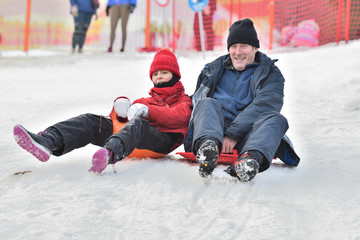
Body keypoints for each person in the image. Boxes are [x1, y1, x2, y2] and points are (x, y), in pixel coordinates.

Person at [13, 49, 193, 174]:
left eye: (164, 72)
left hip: (161, 142)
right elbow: (121, 121)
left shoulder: (183, 100)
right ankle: (48, 141)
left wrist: (148, 112)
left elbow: (181, 117)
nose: (159, 76)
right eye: (155, 74)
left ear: (175, 75)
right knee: (92, 121)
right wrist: (120, 111)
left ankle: (109, 154)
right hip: (133, 140)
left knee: (139, 123)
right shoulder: (145, 100)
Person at [184, 18, 300, 182]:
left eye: (244, 46)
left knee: (276, 119)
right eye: (233, 46)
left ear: (255, 48)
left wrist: (233, 134)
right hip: (212, 129)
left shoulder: (271, 74)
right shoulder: (212, 70)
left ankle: (249, 160)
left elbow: (266, 105)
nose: (238, 52)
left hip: (248, 136)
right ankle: (208, 149)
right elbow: (195, 104)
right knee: (207, 103)